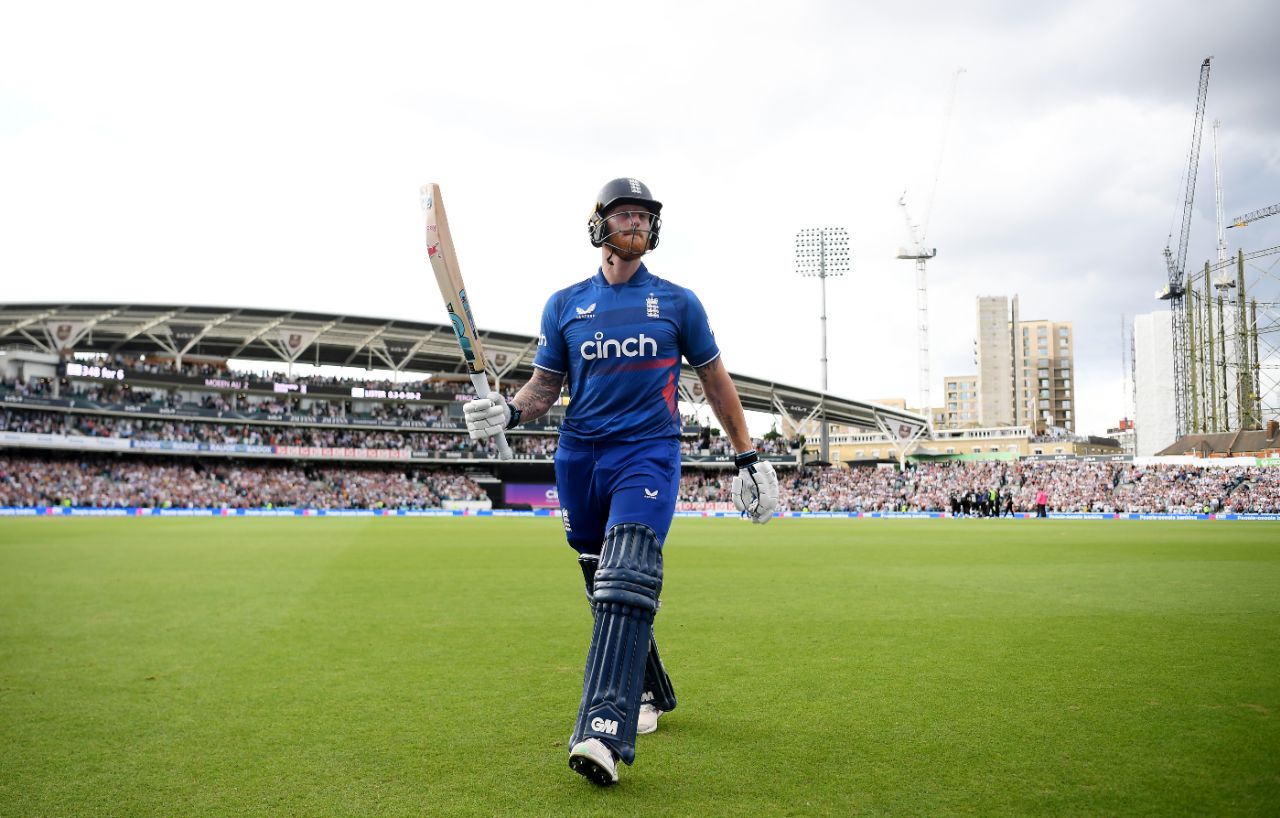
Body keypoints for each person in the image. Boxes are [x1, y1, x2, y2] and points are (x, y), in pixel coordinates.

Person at [463, 177, 779, 786]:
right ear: (600, 226)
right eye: (624, 214)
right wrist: (506, 411)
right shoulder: (564, 305)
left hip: (648, 452)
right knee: (600, 580)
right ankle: (649, 689)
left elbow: (716, 382)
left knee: (628, 571)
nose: (635, 223)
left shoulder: (679, 303)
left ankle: (603, 728)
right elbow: (544, 388)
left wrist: (747, 455)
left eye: (643, 216)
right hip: (579, 456)